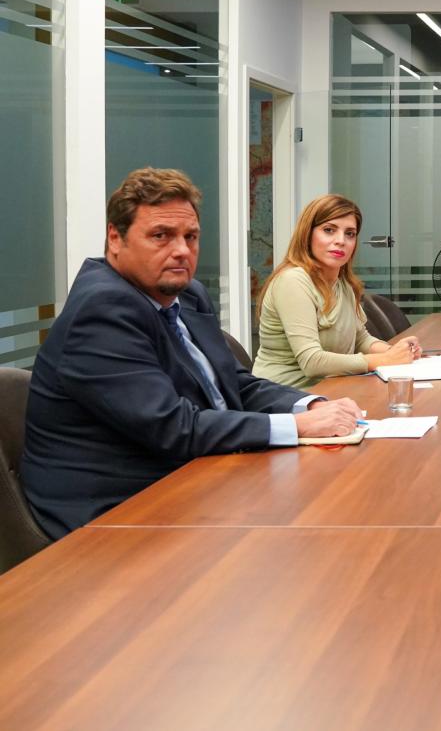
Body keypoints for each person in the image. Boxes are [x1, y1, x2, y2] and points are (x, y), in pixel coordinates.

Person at [21, 168, 364, 539]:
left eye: (191, 236)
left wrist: (310, 406)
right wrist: (297, 427)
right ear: (115, 238)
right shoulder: (102, 310)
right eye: (161, 236)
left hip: (199, 480)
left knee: (338, 510)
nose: (182, 250)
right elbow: (173, 427)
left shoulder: (186, 294)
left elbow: (235, 384)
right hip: (120, 513)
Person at [252, 194, 420, 390]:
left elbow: (361, 339)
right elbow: (312, 362)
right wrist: (384, 360)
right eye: (329, 230)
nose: (341, 241)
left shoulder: (343, 284)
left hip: (331, 388)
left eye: (350, 234)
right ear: (307, 234)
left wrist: (397, 352)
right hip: (285, 395)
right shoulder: (293, 281)